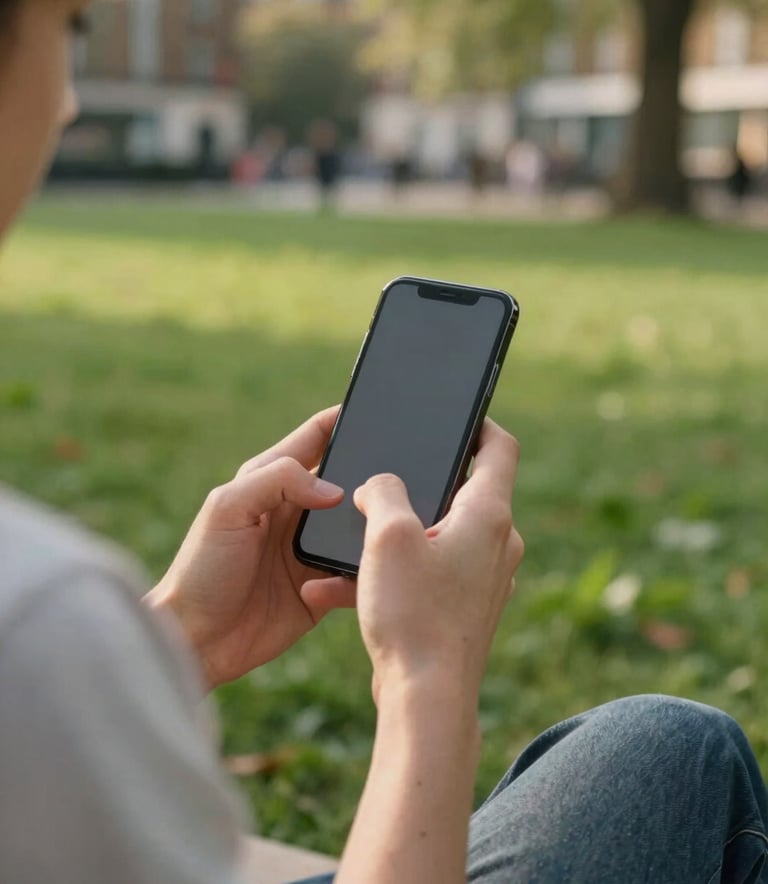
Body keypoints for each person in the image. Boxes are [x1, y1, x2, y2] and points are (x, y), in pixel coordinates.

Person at [0, 4, 766, 884]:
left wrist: (180, 641)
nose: (63, 102)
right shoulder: (38, 617)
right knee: (676, 755)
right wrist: (428, 678)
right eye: (72, 27)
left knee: (664, 748)